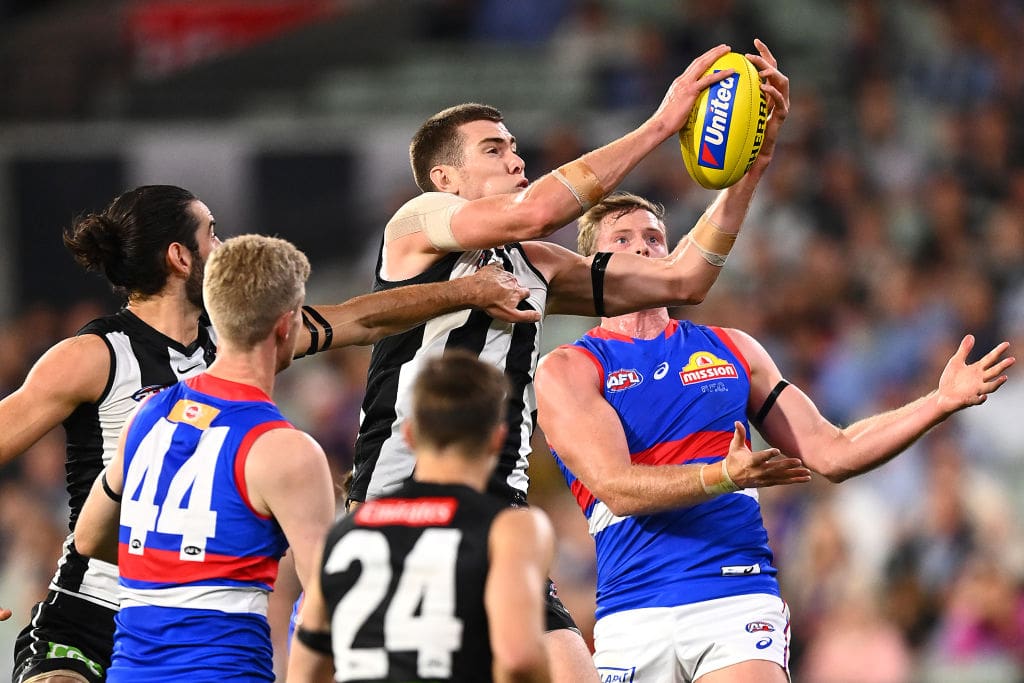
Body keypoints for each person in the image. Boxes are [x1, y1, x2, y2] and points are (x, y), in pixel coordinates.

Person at [348, 40, 790, 681]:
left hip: (497, 509)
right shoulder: (418, 222)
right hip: (400, 496)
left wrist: (752, 165)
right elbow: (538, 209)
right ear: (445, 178)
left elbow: (682, 281)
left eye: (514, 145)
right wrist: (662, 125)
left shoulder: (538, 264)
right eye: (492, 149)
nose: (515, 157)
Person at [4, 184, 538, 683]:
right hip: (90, 613)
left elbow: (363, 320)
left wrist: (465, 291)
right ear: (180, 257)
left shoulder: (240, 340)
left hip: (206, 616)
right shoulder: (94, 354)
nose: (224, 244)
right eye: (211, 232)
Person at [533, 192, 1016, 683]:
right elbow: (617, 488)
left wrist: (938, 402)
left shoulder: (732, 348)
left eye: (655, 238)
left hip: (735, 597)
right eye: (624, 238)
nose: (644, 248)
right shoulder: (569, 368)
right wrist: (722, 475)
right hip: (630, 611)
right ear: (593, 264)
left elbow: (833, 451)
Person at [71, 234, 333, 680]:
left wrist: (171, 563)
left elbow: (89, 538)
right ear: (285, 326)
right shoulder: (284, 449)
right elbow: (324, 603)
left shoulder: (147, 414)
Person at [288, 352, 554, 683]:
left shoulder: (346, 532)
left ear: (411, 435)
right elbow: (518, 658)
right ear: (498, 440)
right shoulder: (510, 528)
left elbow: (304, 670)